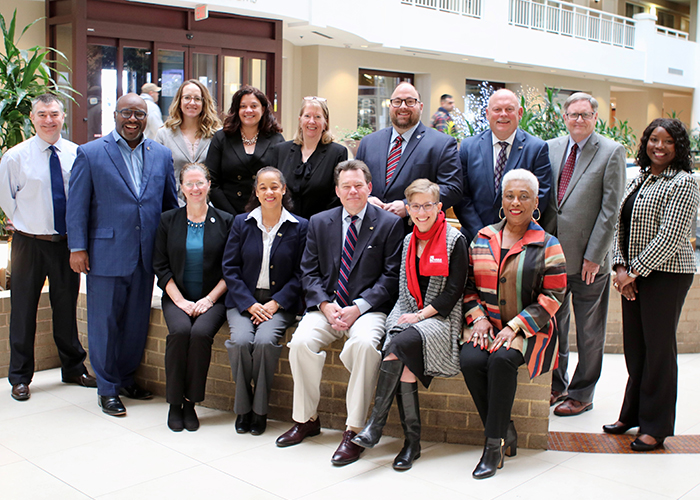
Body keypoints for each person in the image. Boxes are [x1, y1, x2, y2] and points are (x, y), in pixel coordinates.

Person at [275, 160, 404, 468]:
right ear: (337, 190)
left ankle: (354, 430)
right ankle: (307, 419)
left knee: (363, 346)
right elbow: (308, 271)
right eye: (346, 186)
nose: (353, 191)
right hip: (328, 307)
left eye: (359, 185)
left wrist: (358, 307)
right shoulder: (320, 222)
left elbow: (390, 277)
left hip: (367, 309)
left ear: (369, 187)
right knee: (302, 341)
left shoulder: (388, 224)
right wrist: (324, 304)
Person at [67, 93, 179, 417]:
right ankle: (107, 388)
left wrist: (172, 249)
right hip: (105, 254)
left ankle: (127, 379)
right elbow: (76, 207)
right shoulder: (90, 153)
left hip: (145, 256)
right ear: (114, 115)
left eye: (139, 115)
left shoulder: (160, 154)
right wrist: (77, 248)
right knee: (104, 324)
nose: (133, 120)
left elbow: (169, 206)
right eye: (127, 113)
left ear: (147, 118)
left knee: (135, 324)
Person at [352, 179, 467, 471]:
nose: (422, 211)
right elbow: (403, 292)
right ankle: (411, 443)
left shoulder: (455, 240)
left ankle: (375, 425)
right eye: (415, 206)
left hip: (441, 320)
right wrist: (403, 318)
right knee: (402, 360)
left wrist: (419, 316)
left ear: (439, 207)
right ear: (409, 208)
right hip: (411, 316)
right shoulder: (408, 241)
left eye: (428, 205)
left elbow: (453, 294)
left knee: (397, 346)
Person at [460, 169, 566, 479]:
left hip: (531, 329)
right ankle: (504, 426)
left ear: (536, 203)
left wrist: (515, 326)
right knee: (470, 359)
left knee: (502, 360)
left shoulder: (548, 245)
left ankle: (493, 446)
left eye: (523, 197)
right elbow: (467, 287)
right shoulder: (482, 238)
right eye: (509, 196)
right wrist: (477, 318)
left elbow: (554, 296)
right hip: (486, 324)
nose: (515, 202)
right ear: (502, 200)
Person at [604, 118, 699, 452]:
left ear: (679, 147)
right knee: (637, 347)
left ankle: (656, 427)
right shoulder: (641, 178)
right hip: (633, 272)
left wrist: (634, 272)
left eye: (668, 141)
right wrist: (619, 267)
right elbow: (621, 225)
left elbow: (671, 236)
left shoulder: (684, 182)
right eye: (653, 140)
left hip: (668, 274)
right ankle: (632, 413)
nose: (659, 146)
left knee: (658, 350)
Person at [0, 94, 96, 401]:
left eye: (54, 114)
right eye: (42, 114)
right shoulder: (16, 157)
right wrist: (27, 223)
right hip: (29, 244)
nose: (48, 120)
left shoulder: (76, 154)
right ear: (32, 118)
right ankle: (19, 376)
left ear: (63, 117)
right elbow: (6, 199)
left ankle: (73, 368)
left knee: (66, 307)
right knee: (24, 310)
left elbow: (82, 198)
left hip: (67, 244)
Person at [540, 93, 626, 415]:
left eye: (585, 115)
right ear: (565, 116)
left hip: (590, 262)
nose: (579, 120)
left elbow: (610, 210)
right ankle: (555, 384)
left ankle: (582, 393)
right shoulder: (550, 148)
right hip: (553, 260)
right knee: (554, 326)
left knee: (589, 332)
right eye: (573, 115)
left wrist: (595, 255)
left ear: (595, 118)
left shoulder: (611, 151)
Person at [223, 167, 308, 436]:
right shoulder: (241, 223)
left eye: (274, 187)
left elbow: (301, 273)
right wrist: (249, 303)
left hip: (279, 305)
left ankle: (259, 411)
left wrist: (276, 303)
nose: (269, 192)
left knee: (263, 342)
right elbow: (230, 268)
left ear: (284, 189)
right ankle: (243, 409)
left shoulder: (300, 226)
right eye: (263, 187)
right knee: (240, 342)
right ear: (256, 192)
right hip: (243, 302)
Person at [153, 163, 233, 432]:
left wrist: (209, 300)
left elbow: (231, 269)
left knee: (199, 335)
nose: (195, 188)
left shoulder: (226, 221)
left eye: (200, 182)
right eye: (190, 184)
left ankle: (191, 403)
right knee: (179, 333)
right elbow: (160, 266)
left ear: (209, 184)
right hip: (178, 296)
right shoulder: (168, 220)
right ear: (182, 187)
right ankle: (174, 403)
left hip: (213, 298)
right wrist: (180, 301)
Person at [354, 82, 462, 231]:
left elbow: (452, 189)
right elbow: (356, 182)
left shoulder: (441, 144)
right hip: (370, 232)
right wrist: (367, 199)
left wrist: (409, 206)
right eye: (397, 102)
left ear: (421, 107)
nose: (403, 106)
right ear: (390, 106)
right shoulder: (368, 142)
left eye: (410, 101)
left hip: (415, 235)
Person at [454, 88, 552, 243]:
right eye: (497, 109)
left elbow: (540, 196)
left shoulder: (537, 149)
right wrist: (482, 235)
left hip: (518, 240)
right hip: (475, 239)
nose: (503, 114)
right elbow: (462, 196)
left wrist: (512, 232)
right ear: (487, 113)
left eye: (509, 109)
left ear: (520, 113)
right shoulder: (468, 147)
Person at [205, 85, 284, 216]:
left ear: (263, 109)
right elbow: (211, 181)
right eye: (243, 106)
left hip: (265, 214)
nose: (248, 110)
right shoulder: (222, 138)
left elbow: (281, 180)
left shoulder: (276, 139)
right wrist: (231, 216)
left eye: (254, 106)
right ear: (237, 109)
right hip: (227, 214)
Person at [273, 97, 348, 219]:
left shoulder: (337, 153)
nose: (311, 121)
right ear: (300, 120)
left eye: (318, 117)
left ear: (325, 123)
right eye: (307, 116)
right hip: (285, 227)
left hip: (320, 227)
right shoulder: (281, 151)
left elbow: (336, 196)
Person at [155, 79, 222, 204]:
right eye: (187, 98)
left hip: (209, 206)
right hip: (174, 204)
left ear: (204, 102)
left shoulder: (217, 134)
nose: (192, 102)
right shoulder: (163, 134)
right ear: (179, 101)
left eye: (197, 99)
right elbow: (158, 175)